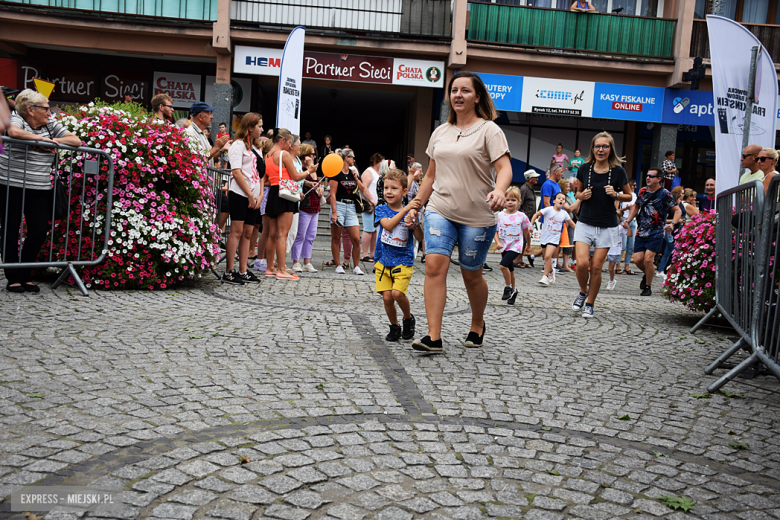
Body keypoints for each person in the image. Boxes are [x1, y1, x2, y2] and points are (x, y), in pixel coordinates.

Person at [405, 71, 512, 353]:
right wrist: (416, 205)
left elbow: (504, 169)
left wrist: (500, 190)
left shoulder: (490, 130)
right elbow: (429, 176)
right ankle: (433, 337)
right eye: (454, 90)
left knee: (470, 273)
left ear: (477, 97)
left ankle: (477, 323)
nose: (458, 95)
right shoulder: (440, 132)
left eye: (465, 90)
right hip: (440, 208)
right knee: (434, 265)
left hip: (478, 214)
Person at [0, 89, 81, 293]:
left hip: (39, 186)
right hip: (11, 184)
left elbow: (76, 141)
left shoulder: (50, 124)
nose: (49, 112)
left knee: (38, 231)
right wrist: (39, 140)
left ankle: (25, 273)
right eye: (45, 108)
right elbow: (14, 133)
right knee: (11, 230)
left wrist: (52, 141)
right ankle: (13, 277)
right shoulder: (16, 118)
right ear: (30, 109)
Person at [572, 131, 632, 317]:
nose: (601, 149)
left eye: (605, 146)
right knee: (582, 264)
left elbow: (629, 196)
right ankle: (583, 291)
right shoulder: (584, 169)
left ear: (610, 149)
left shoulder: (618, 171)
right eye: (598, 146)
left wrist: (616, 195)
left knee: (596, 267)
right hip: (585, 222)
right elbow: (577, 193)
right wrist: (581, 196)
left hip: (607, 225)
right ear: (593, 148)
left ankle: (590, 303)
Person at [374, 169, 423, 341]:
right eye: (386, 188)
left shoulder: (411, 214)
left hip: (403, 261)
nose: (388, 191)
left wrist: (415, 226)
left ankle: (408, 319)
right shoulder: (381, 210)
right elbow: (387, 226)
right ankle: (394, 326)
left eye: (394, 188)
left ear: (404, 191)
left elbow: (420, 238)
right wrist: (406, 210)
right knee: (387, 298)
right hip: (383, 260)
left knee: (397, 294)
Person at [624, 168, 681, 296]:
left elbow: (678, 210)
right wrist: (628, 220)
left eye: (651, 176)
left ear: (659, 179)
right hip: (642, 231)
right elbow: (636, 206)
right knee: (638, 260)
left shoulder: (665, 193)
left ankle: (648, 286)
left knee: (648, 259)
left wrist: (672, 224)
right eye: (647, 175)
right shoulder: (643, 191)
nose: (647, 178)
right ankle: (647, 274)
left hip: (656, 231)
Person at [222, 113, 264, 285]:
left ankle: (243, 270)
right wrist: (249, 194)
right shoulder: (238, 145)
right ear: (250, 127)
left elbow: (261, 174)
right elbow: (236, 172)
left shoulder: (256, 148)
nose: (261, 129)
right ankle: (229, 271)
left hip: (254, 195)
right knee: (236, 232)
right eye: (259, 126)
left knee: (248, 233)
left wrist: (260, 195)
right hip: (240, 193)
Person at [265, 128, 307, 280]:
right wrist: (310, 171)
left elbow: (266, 180)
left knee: (272, 234)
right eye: (289, 142)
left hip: (273, 193)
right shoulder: (284, 154)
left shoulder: (268, 155)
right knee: (283, 234)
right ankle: (281, 269)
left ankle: (270, 267)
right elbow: (296, 176)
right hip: (285, 194)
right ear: (282, 140)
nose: (290, 145)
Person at [329, 148, 369, 275]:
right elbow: (333, 194)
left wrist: (356, 179)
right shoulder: (335, 173)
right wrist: (334, 212)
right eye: (352, 157)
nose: (354, 159)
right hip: (339, 205)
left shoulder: (353, 173)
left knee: (356, 238)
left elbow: (362, 189)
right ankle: (338, 264)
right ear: (346, 158)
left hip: (351, 207)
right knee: (336, 237)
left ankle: (356, 266)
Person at [494, 186, 531, 305]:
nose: (510, 202)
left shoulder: (522, 216)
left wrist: (529, 245)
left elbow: (526, 233)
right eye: (508, 200)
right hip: (504, 246)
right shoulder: (499, 215)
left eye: (513, 200)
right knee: (511, 270)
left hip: (516, 246)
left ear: (519, 202)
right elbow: (495, 230)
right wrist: (498, 242)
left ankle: (508, 287)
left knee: (502, 265)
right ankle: (514, 291)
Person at [531, 192, 576, 286]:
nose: (561, 200)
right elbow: (536, 215)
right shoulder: (548, 210)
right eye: (559, 198)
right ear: (554, 201)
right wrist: (530, 225)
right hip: (544, 237)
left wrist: (581, 233)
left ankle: (545, 277)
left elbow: (572, 224)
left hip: (554, 238)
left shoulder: (564, 214)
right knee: (545, 258)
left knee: (548, 256)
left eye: (563, 199)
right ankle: (551, 271)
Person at [291, 145, 321, 273]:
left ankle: (307, 261)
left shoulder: (311, 169)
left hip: (315, 205)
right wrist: (310, 165)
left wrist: (321, 188)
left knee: (310, 235)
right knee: (300, 235)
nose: (314, 157)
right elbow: (303, 180)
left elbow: (316, 182)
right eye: (312, 154)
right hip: (304, 205)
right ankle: (296, 261)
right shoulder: (301, 168)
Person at [185, 101, 229, 166]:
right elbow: (199, 159)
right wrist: (216, 147)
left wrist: (221, 149)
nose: (212, 117)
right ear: (200, 116)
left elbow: (210, 158)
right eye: (209, 114)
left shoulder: (201, 133)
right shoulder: (190, 133)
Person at [360, 153, 383, 262]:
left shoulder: (378, 173)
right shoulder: (369, 172)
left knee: (374, 231)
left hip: (377, 205)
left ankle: (372, 253)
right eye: (381, 162)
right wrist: (372, 200)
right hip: (369, 205)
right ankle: (364, 254)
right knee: (368, 229)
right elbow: (364, 188)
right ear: (375, 162)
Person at [519, 169, 539, 268]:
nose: (537, 179)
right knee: (522, 240)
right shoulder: (524, 189)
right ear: (530, 178)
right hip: (524, 219)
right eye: (535, 177)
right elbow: (519, 204)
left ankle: (520, 259)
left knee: (525, 240)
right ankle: (517, 260)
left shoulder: (529, 188)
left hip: (528, 219)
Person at [618, 178, 637, 275]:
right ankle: (617, 266)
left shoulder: (634, 195)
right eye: (633, 185)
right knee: (622, 245)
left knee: (631, 246)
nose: (635, 187)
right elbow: (617, 210)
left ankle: (627, 266)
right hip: (624, 218)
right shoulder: (621, 193)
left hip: (632, 220)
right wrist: (626, 208)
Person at [559, 178, 577, 272]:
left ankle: (565, 265)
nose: (569, 188)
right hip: (563, 222)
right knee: (559, 243)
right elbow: (569, 208)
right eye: (567, 186)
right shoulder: (561, 197)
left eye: (569, 186)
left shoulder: (569, 196)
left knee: (569, 242)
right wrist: (579, 200)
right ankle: (556, 264)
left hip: (570, 221)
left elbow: (575, 208)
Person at [605, 224, 627, 291]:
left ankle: (611, 281)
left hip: (614, 250)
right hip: (605, 248)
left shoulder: (620, 227)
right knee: (597, 264)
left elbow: (629, 234)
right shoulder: (605, 225)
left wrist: (627, 227)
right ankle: (592, 279)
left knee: (610, 269)